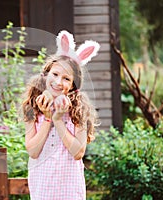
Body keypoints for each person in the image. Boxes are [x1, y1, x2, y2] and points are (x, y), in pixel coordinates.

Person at [21, 30, 100, 199]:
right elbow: (33, 151)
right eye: (55, 74)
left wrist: (58, 120)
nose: (58, 82)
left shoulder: (79, 109)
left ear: (73, 85)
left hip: (69, 189)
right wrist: (47, 118)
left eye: (66, 78)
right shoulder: (32, 107)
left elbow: (78, 152)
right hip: (43, 187)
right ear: (46, 75)